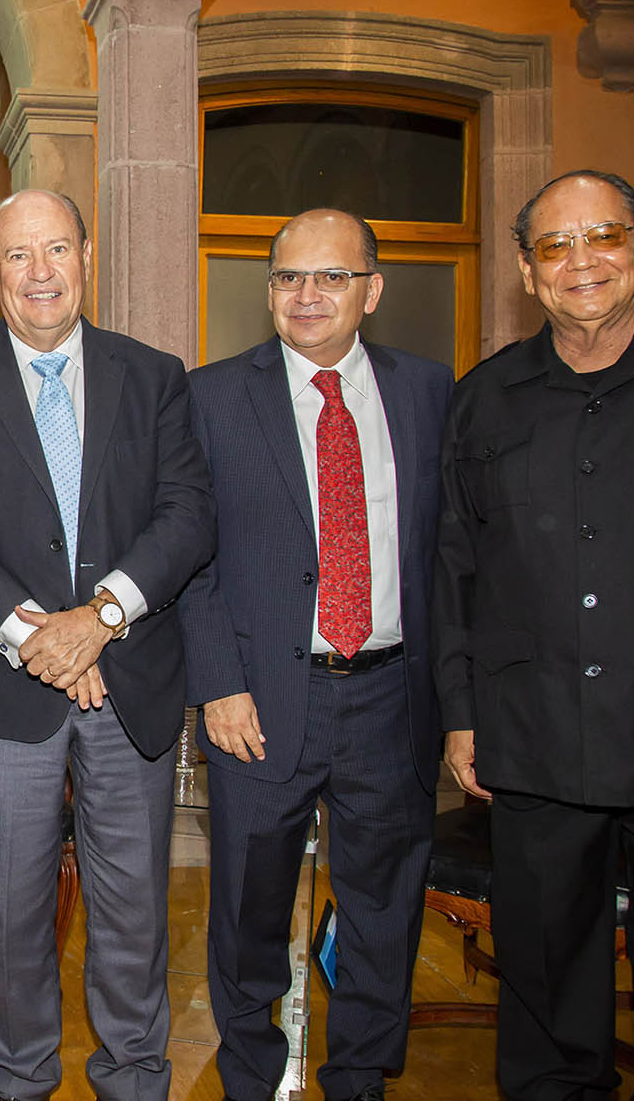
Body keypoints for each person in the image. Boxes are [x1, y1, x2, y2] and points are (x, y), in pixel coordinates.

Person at [434, 169, 634, 1101]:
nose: (582, 262)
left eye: (604, 237)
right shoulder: (485, 399)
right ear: (528, 276)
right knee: (542, 1003)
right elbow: (453, 570)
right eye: (555, 247)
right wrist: (461, 716)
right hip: (533, 743)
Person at [0, 189, 215, 1101]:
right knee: (13, 910)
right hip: (8, 690)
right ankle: (18, 1078)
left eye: (58, 250)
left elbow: (188, 514)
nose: (40, 272)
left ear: (86, 255)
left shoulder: (154, 374)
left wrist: (100, 619)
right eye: (18, 256)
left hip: (131, 682)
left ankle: (131, 1078)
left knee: (133, 912)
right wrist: (31, 635)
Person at [176, 210, 451, 1101]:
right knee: (248, 916)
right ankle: (250, 1079)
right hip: (257, 701)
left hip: (392, 696)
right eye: (289, 276)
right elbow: (191, 555)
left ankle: (360, 1080)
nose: (307, 295)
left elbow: (453, 553)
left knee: (381, 915)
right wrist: (219, 684)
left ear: (372, 290)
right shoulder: (211, 396)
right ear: (269, 291)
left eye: (331, 277)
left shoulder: (431, 393)